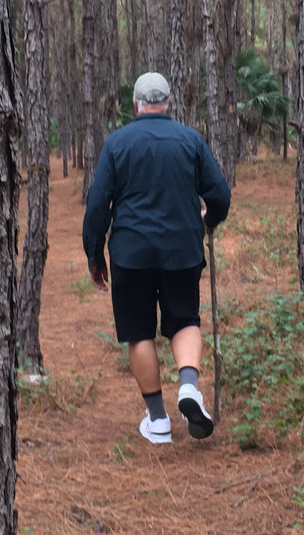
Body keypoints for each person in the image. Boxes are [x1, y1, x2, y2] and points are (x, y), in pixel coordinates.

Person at [82, 72, 231, 444]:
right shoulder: (190, 140)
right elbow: (221, 195)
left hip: (131, 254)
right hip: (182, 250)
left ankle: (158, 420)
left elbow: (98, 203)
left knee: (139, 331)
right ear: (168, 103)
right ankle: (188, 387)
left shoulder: (117, 143)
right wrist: (206, 222)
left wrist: (94, 252)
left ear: (135, 105)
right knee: (184, 320)